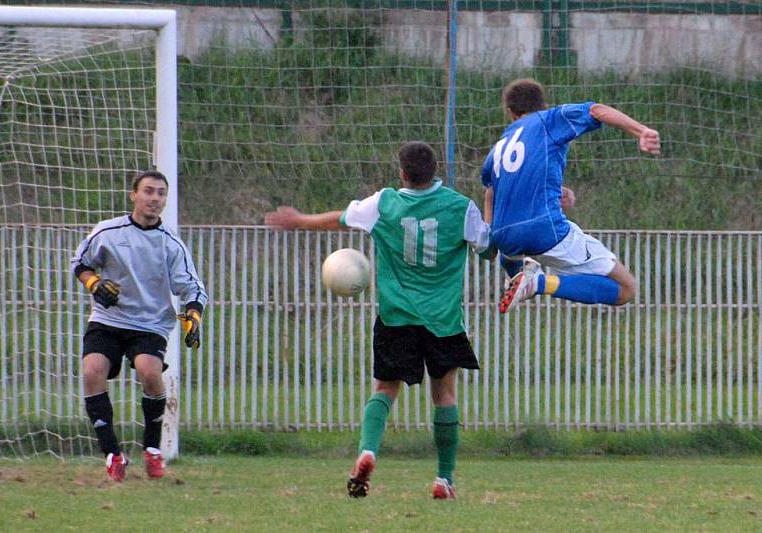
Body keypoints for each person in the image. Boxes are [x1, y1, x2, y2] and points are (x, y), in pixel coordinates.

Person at [265, 142, 490, 500]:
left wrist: (299, 221)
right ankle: (443, 480)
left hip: (396, 317)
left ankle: (367, 451)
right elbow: (489, 246)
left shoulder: (384, 203)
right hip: (443, 320)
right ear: (437, 170)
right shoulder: (461, 207)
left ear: (403, 173)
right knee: (444, 395)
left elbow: (339, 219)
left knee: (384, 390)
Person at [71, 170, 208, 481]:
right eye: (148, 191)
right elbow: (80, 262)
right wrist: (94, 283)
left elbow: (193, 288)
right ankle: (113, 455)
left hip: (149, 324)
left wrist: (193, 318)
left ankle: (152, 449)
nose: (155, 198)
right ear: (134, 195)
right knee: (92, 372)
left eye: (161, 193)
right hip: (108, 320)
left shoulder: (171, 244)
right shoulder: (108, 231)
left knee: (149, 371)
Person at [480, 78, 661, 313]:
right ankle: (537, 282)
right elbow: (597, 110)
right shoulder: (547, 121)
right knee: (625, 288)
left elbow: (491, 194)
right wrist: (642, 131)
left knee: (511, 249)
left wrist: (488, 244)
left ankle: (516, 277)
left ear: (510, 112)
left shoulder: (498, 147)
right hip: (543, 230)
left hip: (504, 236)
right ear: (542, 106)